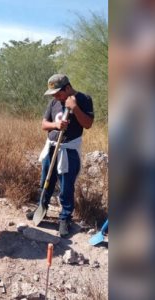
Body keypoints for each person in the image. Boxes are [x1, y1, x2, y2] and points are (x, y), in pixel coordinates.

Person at [26, 74, 94, 237]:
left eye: (58, 93)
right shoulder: (54, 102)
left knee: (66, 185)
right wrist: (56, 125)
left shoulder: (84, 99)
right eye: (53, 94)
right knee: (46, 181)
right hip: (51, 147)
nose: (56, 97)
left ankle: (65, 218)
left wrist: (75, 107)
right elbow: (44, 124)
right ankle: (41, 206)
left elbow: (88, 124)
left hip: (69, 149)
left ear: (68, 88)